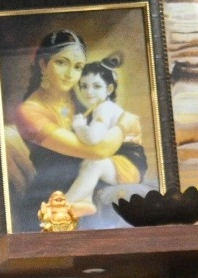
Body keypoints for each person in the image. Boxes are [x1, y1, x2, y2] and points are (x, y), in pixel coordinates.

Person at [12, 30, 125, 227]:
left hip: (89, 185)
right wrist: (123, 127)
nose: (70, 74)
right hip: (54, 197)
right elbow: (97, 150)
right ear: (43, 64)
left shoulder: (77, 98)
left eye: (78, 67)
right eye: (61, 62)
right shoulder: (29, 111)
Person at [64, 60, 149, 212]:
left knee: (94, 164)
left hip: (129, 165)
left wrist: (79, 126)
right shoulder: (98, 108)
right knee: (88, 163)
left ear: (109, 88)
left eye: (96, 86)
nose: (89, 92)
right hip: (123, 162)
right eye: (84, 86)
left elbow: (92, 137)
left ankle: (63, 206)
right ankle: (85, 200)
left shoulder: (104, 108)